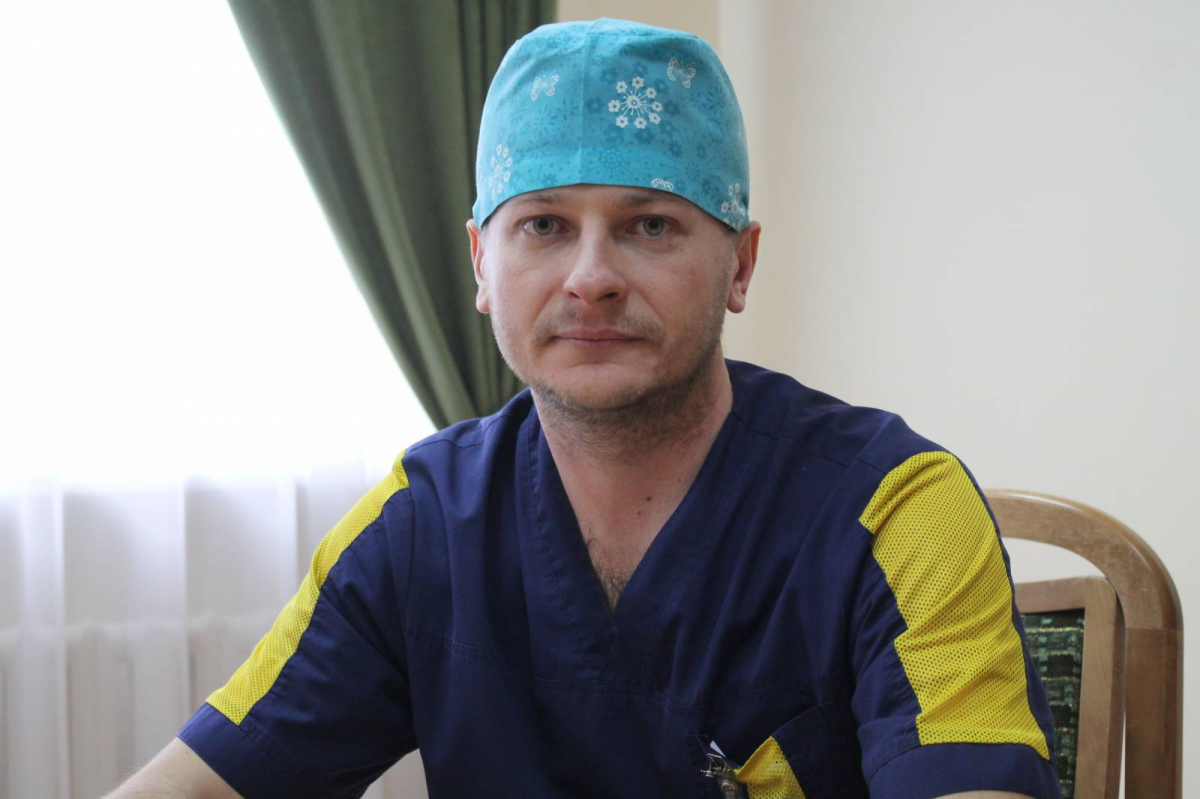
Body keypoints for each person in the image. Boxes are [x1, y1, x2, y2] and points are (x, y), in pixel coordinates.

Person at [109, 18, 1060, 799]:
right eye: (544, 225)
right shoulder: (421, 525)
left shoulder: (899, 511)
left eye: (651, 224)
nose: (592, 277)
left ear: (740, 263)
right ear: (483, 264)